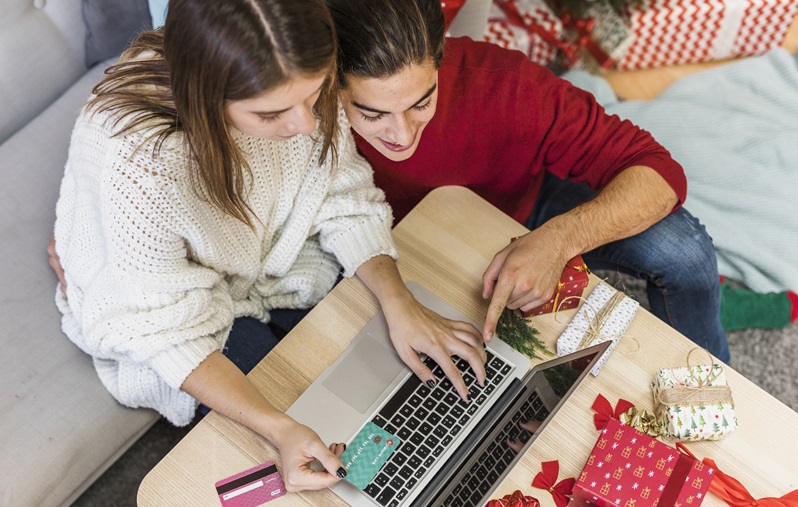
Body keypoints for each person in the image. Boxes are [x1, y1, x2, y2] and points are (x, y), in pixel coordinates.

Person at [49, 0, 487, 492]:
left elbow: (342, 194)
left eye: (316, 94)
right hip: (175, 318)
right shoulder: (144, 165)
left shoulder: (299, 72)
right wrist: (280, 429)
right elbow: (163, 331)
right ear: (208, 95)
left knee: (395, 377)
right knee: (307, 444)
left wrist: (401, 302)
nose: (305, 125)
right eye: (272, 113)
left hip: (283, 267)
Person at [326, 0, 730, 362]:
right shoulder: (304, 117)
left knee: (685, 250)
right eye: (373, 114)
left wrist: (559, 239)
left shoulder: (505, 86)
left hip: (516, 209)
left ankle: (712, 383)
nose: (403, 134)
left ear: (440, 59)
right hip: (383, 251)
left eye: (421, 102)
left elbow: (659, 172)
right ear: (331, 83)